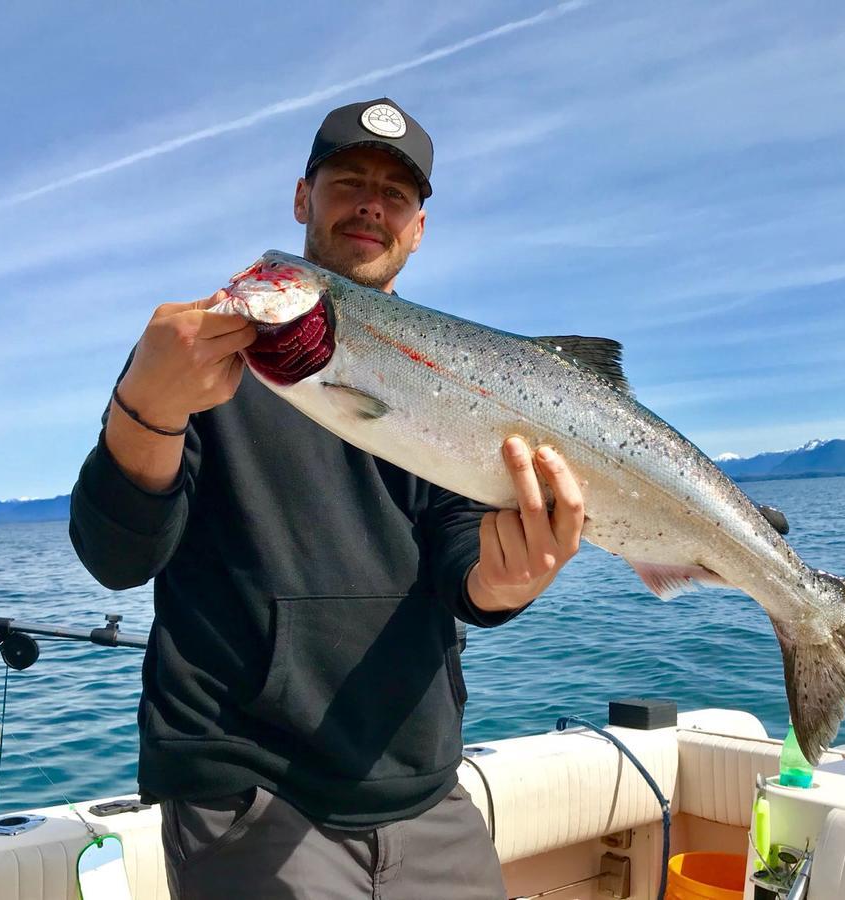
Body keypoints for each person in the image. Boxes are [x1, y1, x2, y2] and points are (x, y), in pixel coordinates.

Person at [69, 97, 585, 900]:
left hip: (425, 788)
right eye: (349, 181)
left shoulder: (454, 385)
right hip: (249, 799)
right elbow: (117, 557)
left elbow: (460, 557)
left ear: (418, 228)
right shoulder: (197, 357)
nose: (371, 204)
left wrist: (506, 580)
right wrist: (147, 408)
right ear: (303, 197)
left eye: (397, 194)